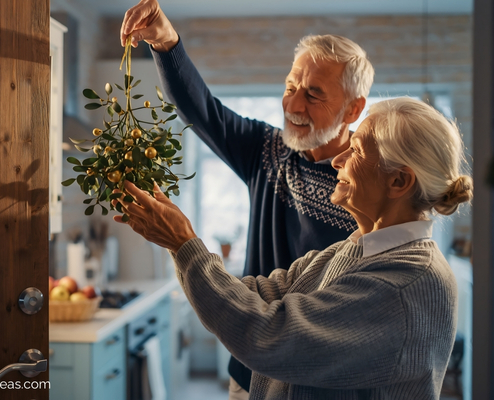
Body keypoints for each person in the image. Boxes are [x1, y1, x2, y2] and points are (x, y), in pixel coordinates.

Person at [113, 97, 473, 399]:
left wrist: (183, 242)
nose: (337, 161)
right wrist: (177, 243)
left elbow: (270, 335)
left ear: (399, 180)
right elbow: (262, 295)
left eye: (356, 150)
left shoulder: (406, 284)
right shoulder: (358, 248)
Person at [121, 1, 375, 395]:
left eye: (313, 95)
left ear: (353, 108)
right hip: (248, 368)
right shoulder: (267, 150)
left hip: (316, 382)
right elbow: (202, 110)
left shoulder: (363, 185)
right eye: (291, 87)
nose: (292, 106)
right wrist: (166, 41)